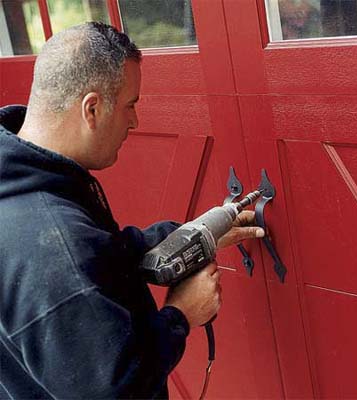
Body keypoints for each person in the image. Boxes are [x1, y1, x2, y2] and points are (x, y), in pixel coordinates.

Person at [0, 22, 264, 399]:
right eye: (130, 105)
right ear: (91, 108)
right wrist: (181, 314)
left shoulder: (22, 181)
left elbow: (99, 255)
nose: (135, 121)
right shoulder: (53, 246)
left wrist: (199, 232)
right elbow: (117, 390)